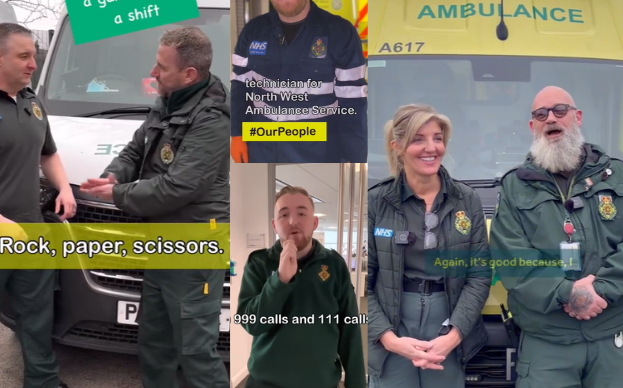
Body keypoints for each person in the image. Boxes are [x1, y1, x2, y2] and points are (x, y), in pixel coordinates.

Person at [80, 26, 230, 388]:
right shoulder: (169, 100)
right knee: (154, 342)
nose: (152, 72)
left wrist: (117, 195)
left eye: (161, 67)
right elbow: (136, 149)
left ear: (189, 74)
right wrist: (113, 175)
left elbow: (179, 186)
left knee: (194, 352)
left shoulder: (213, 119)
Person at [490, 86, 623, 387]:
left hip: (612, 336)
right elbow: (511, 257)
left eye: (560, 110)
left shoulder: (617, 175)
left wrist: (600, 290)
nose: (551, 118)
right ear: (532, 126)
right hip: (547, 344)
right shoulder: (514, 186)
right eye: (541, 114)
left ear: (578, 117)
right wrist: (568, 293)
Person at [0, 22, 76, 388]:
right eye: (24, 56)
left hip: (31, 237)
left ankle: (43, 383)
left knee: (37, 321)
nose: (33, 64)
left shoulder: (32, 102)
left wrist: (64, 188)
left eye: (33, 55)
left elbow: (48, 153)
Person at [367, 104, 491, 388]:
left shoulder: (467, 199)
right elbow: (363, 282)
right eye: (418, 139)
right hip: (392, 326)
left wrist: (453, 336)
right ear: (397, 147)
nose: (431, 147)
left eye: (438, 138)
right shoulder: (375, 202)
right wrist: (390, 340)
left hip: (448, 325)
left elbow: (479, 274)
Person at [230, 0, 367, 163]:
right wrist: (237, 134)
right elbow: (240, 87)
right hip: (261, 148)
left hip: (317, 153)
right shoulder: (253, 31)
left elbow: (353, 101)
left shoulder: (339, 32)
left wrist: (355, 156)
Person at [237, 185, 365, 388]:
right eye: (284, 214)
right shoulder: (259, 263)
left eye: (301, 213)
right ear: (274, 225)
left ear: (314, 223)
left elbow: (350, 330)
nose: (292, 221)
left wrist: (356, 383)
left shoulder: (334, 264)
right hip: (265, 383)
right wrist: (279, 281)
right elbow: (251, 323)